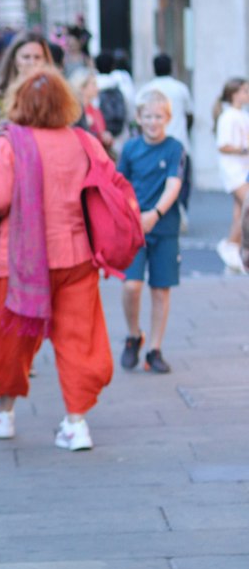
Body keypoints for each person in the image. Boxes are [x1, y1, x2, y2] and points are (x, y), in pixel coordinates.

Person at [0, 66, 114, 453]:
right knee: (78, 341)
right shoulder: (82, 141)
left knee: (13, 341)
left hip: (20, 262)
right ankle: (76, 424)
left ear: (19, 101)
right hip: (75, 258)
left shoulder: (10, 144)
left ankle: (3, 412)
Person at [117, 90, 185, 373]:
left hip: (164, 227)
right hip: (133, 227)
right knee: (132, 285)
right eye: (148, 116)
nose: (153, 122)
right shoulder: (130, 149)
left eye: (158, 116)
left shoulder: (174, 148)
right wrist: (131, 214)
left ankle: (154, 349)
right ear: (138, 118)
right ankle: (134, 335)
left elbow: (174, 184)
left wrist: (155, 214)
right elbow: (119, 184)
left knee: (160, 289)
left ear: (167, 118)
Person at [0, 31, 53, 154]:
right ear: (14, 60)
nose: (32, 62)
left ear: (45, 61)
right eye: (26, 57)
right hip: (7, 165)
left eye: (37, 57)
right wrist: (0, 144)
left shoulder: (54, 95)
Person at [137, 54, 193, 211]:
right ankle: (179, 210)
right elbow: (190, 115)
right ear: (171, 68)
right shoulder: (180, 88)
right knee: (181, 180)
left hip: (154, 145)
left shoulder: (146, 89)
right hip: (180, 138)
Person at [213, 77, 249, 272]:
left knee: (241, 212)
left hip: (243, 170)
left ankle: (233, 250)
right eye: (244, 91)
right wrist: (244, 149)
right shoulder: (228, 117)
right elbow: (223, 145)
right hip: (234, 170)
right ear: (234, 94)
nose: (247, 94)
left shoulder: (241, 114)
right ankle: (230, 246)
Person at [94, 49, 132, 152]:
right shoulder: (121, 84)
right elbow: (130, 112)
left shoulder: (92, 86)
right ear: (113, 66)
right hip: (120, 137)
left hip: (99, 139)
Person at [71, 68, 115, 153]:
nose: (97, 88)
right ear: (81, 87)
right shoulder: (74, 112)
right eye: (93, 84)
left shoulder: (96, 111)